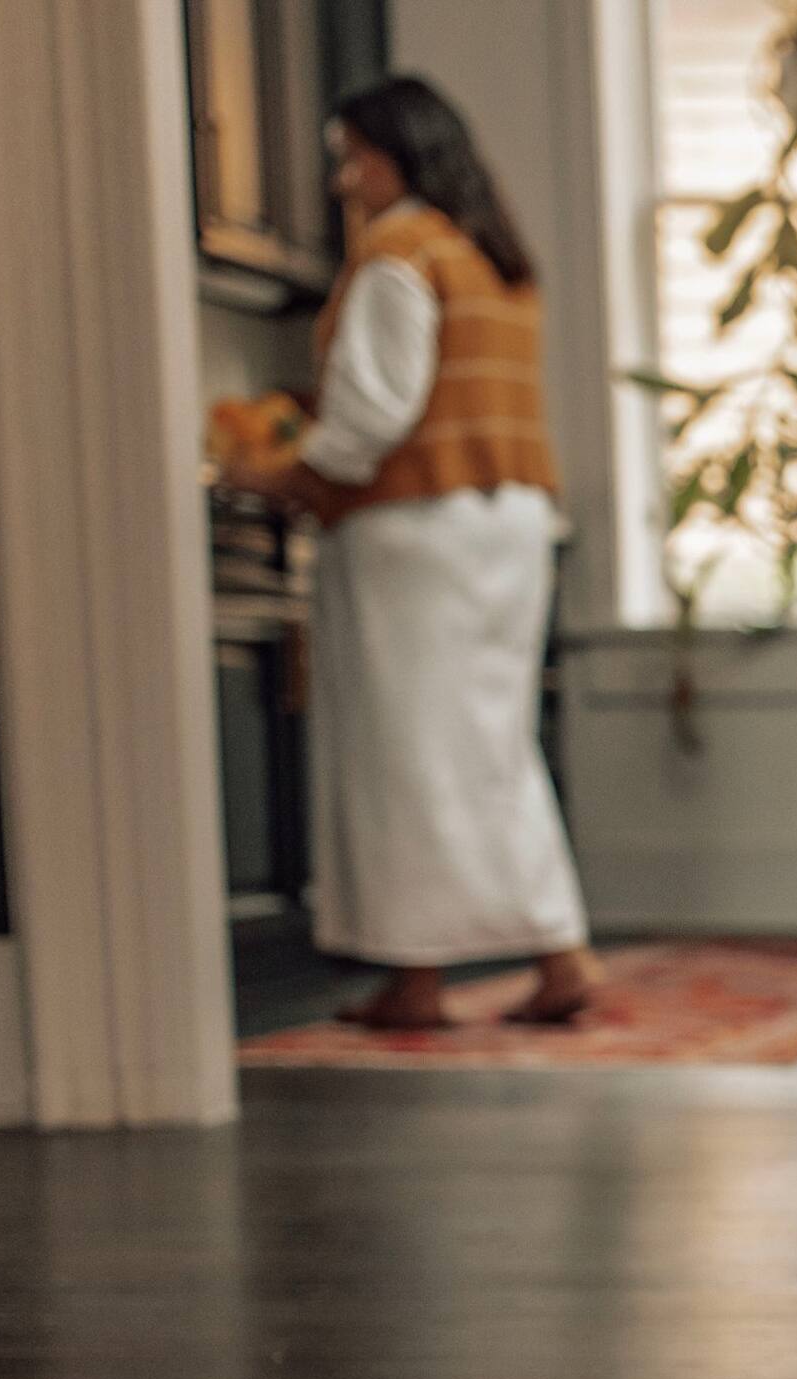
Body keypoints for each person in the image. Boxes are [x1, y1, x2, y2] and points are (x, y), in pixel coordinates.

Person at [219, 77, 599, 1029]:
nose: (345, 181)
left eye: (356, 156)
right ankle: (561, 956)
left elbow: (371, 417)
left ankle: (417, 978)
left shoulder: (396, 256)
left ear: (402, 153)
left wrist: (280, 468)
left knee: (405, 752)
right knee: (492, 745)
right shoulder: (493, 256)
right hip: (509, 523)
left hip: (414, 532)